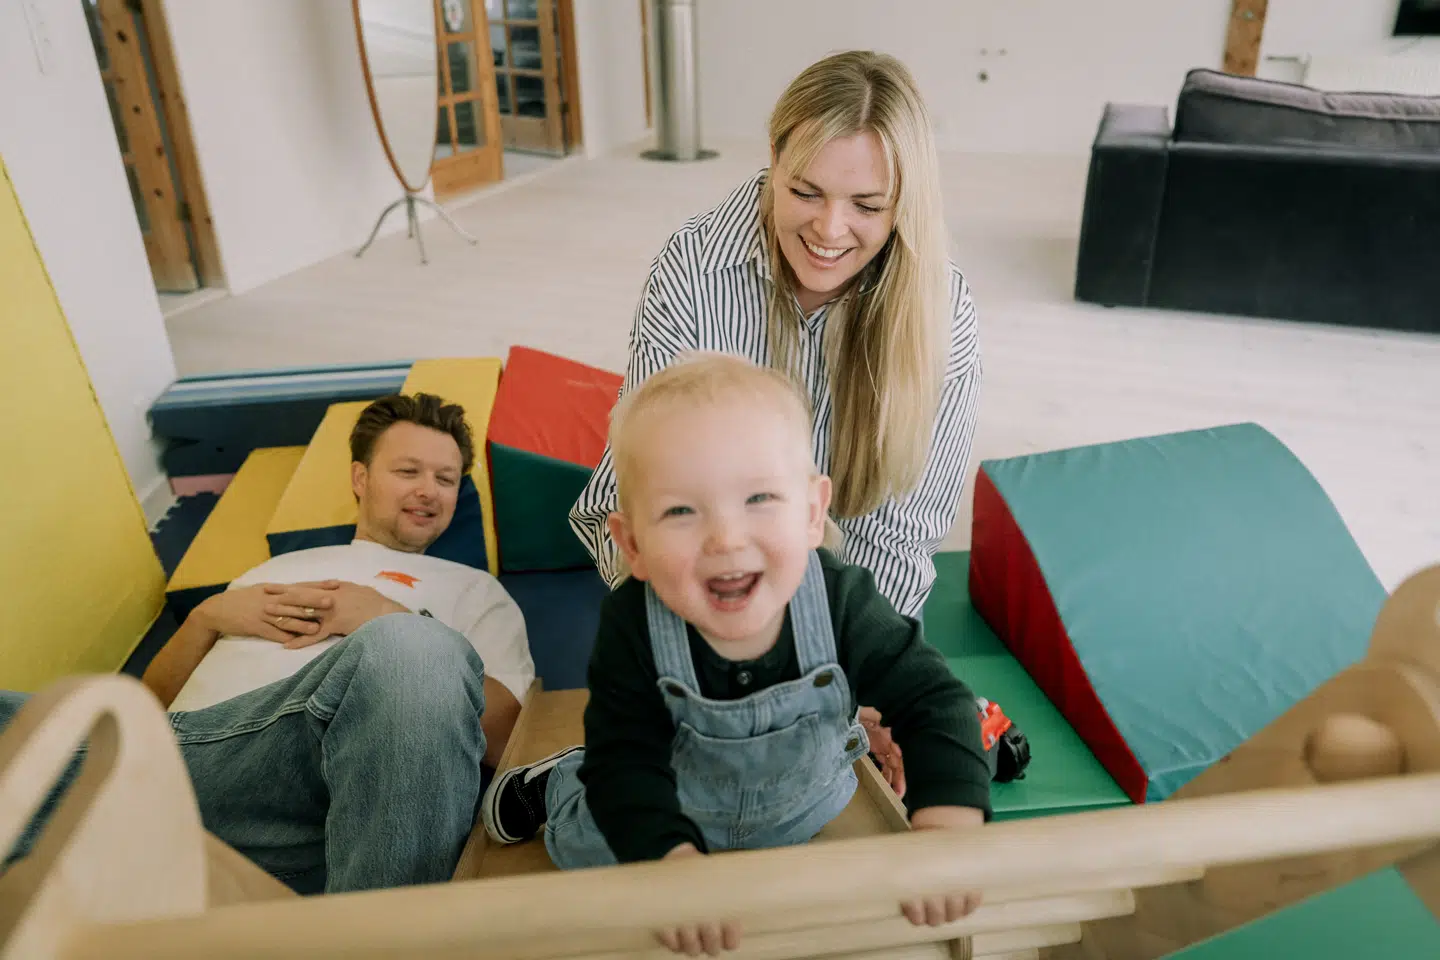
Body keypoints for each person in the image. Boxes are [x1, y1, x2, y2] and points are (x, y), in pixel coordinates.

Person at [482, 354, 991, 956]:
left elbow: (934, 698)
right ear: (633, 545)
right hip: (660, 800)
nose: (726, 537)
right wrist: (670, 862)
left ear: (810, 512)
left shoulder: (839, 600)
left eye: (758, 498)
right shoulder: (633, 626)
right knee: (589, 853)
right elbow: (627, 767)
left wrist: (950, 815)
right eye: (680, 510)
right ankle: (559, 784)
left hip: (799, 805)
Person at [0, 392, 534, 894]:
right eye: (407, 471)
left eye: (446, 478)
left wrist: (387, 617)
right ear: (360, 477)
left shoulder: (476, 591)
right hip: (171, 762)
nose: (428, 490)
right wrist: (203, 619)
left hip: (322, 793)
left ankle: (379, 932)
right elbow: (148, 705)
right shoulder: (275, 568)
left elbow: (514, 739)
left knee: (413, 649)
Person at [570, 50, 982, 625]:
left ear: (902, 206)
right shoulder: (693, 269)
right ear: (774, 159)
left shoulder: (941, 307)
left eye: (866, 206)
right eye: (806, 193)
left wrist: (845, 669)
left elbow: (899, 535)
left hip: (845, 605)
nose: (829, 230)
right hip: (695, 581)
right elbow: (643, 495)